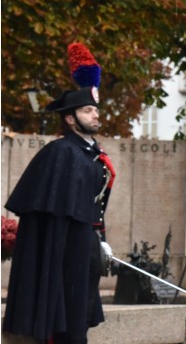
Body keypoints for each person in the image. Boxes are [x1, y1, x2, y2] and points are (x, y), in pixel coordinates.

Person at [3, 44, 116, 344]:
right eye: (87, 110)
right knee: (67, 321)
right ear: (69, 118)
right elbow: (55, 215)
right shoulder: (62, 152)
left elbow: (92, 205)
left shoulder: (90, 153)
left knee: (80, 315)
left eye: (95, 110)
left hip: (85, 245)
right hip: (64, 249)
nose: (95, 115)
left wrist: (100, 242)